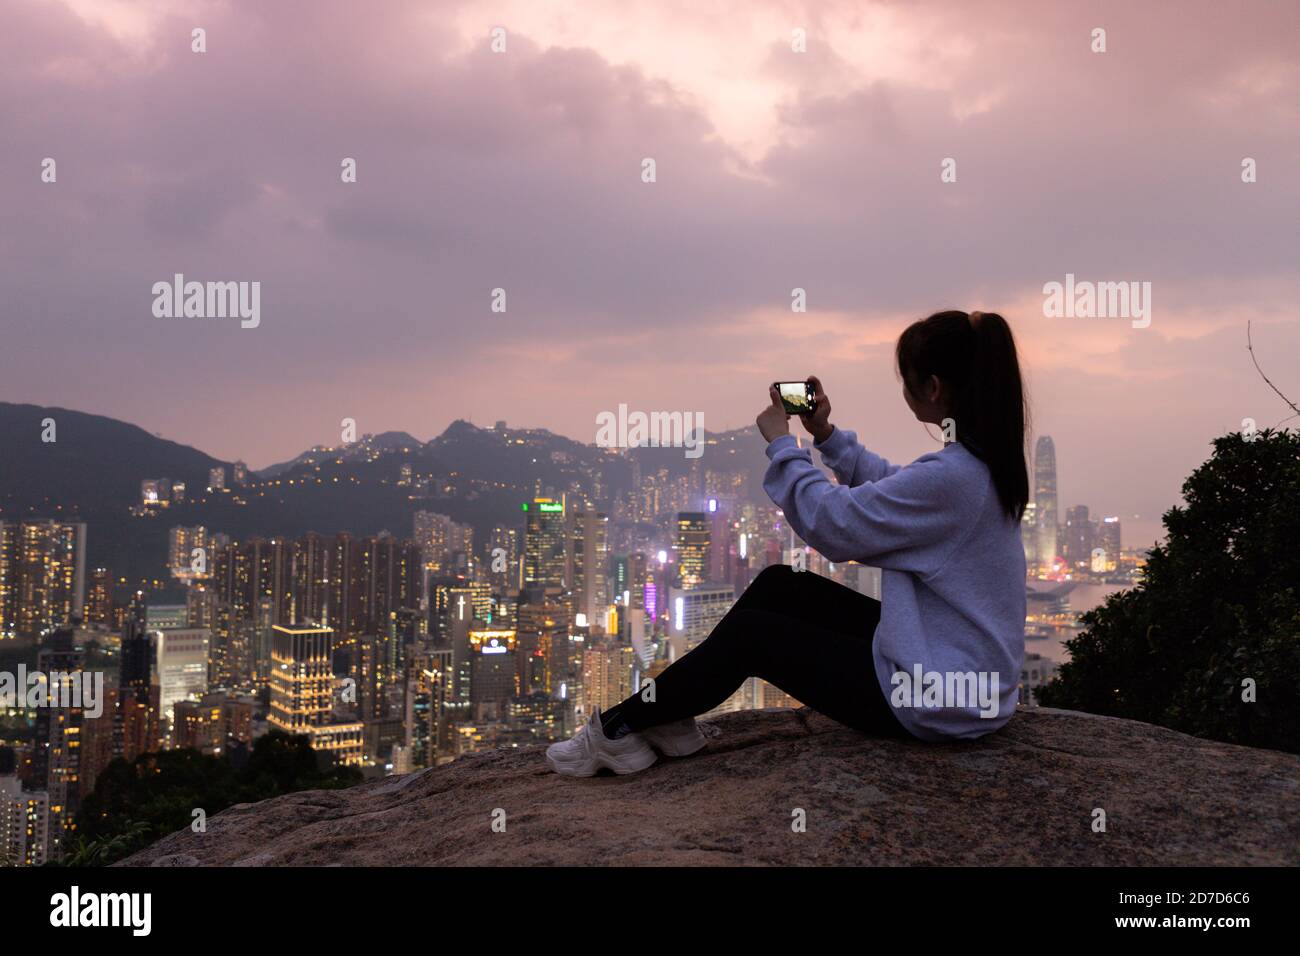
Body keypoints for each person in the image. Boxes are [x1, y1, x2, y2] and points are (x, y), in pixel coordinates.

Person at [546, 310, 1029, 777]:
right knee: (782, 585)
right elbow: (895, 490)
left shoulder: (955, 477)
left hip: (936, 698)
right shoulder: (980, 466)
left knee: (755, 636)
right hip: (960, 676)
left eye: (906, 379)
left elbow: (834, 524)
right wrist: (827, 436)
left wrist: (783, 445)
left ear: (933, 388)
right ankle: (667, 716)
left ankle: (617, 729)